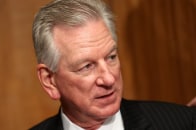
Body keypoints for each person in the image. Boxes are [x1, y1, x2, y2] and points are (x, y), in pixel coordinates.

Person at [30, 0, 196, 129]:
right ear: (49, 80)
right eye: (87, 66)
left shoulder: (183, 123)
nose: (109, 79)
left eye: (111, 57)